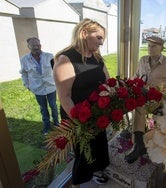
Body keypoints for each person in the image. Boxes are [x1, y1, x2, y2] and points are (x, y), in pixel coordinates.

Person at [53, 18, 110, 187]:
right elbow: (64, 96)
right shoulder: (66, 60)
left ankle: (97, 168)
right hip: (77, 115)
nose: (102, 42)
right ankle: (80, 180)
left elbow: (107, 80)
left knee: (99, 142)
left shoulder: (97, 58)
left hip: (97, 112)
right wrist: (80, 122)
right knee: (83, 149)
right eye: (99, 37)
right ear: (84, 33)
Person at [125, 36, 166, 164]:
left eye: (154, 46)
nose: (150, 48)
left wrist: (164, 94)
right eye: (148, 45)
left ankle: (138, 143)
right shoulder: (143, 60)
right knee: (134, 103)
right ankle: (138, 140)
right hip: (142, 95)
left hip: (158, 98)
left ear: (162, 48)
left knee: (139, 107)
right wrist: (130, 84)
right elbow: (136, 76)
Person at [20, 37, 59, 135]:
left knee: (53, 105)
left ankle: (56, 123)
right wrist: (27, 84)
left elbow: (56, 70)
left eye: (38, 45)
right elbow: (24, 73)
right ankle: (47, 126)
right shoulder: (24, 59)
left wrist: (58, 82)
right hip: (37, 88)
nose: (36, 47)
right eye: (34, 46)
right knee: (43, 108)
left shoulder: (49, 56)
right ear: (29, 47)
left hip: (51, 86)